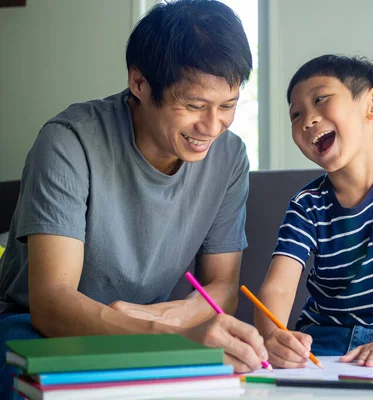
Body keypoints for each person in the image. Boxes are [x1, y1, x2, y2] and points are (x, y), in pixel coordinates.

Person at [0, 0, 269, 395]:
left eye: (227, 106)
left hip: (152, 328)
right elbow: (51, 303)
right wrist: (171, 339)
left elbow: (222, 287)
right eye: (194, 105)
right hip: (36, 327)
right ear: (140, 83)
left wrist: (166, 321)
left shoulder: (229, 157)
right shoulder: (68, 142)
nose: (212, 126)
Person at [255, 55, 373, 369]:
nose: (307, 120)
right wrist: (271, 335)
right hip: (321, 338)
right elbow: (278, 285)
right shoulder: (306, 204)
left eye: (320, 99)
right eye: (295, 114)